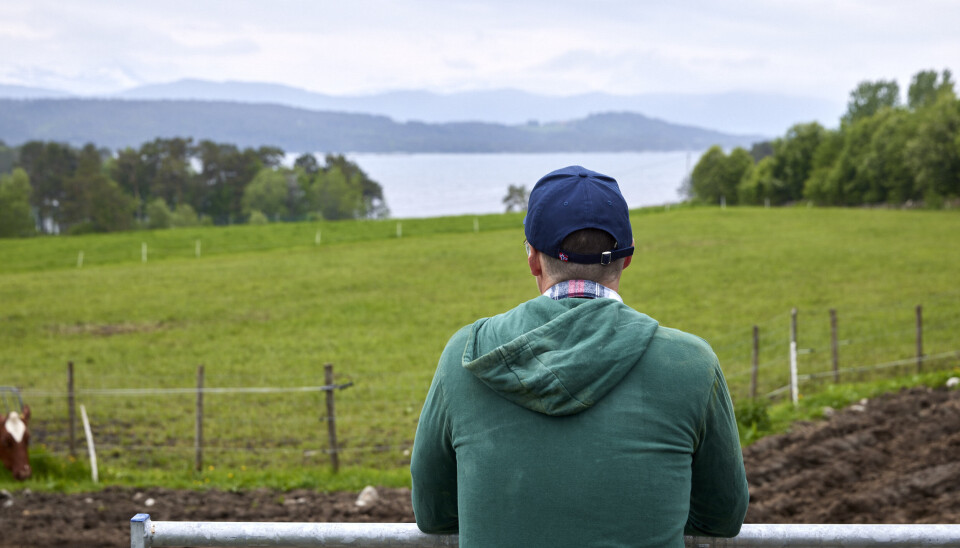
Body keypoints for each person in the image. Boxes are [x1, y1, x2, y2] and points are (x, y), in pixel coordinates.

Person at [410, 165, 748, 547]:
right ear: (627, 258)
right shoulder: (692, 364)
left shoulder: (465, 354)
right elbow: (723, 516)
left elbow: (433, 514)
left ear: (533, 259)